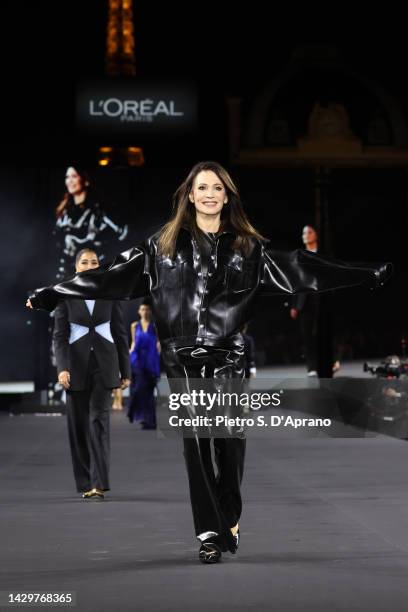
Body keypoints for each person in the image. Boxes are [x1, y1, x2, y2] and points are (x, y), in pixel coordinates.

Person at [26, 161, 391, 563]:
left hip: (229, 354)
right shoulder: (160, 247)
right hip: (180, 358)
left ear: (227, 195)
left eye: (217, 187)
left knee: (229, 443)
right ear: (190, 195)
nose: (210, 194)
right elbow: (109, 275)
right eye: (202, 187)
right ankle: (210, 534)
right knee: (196, 446)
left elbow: (303, 267)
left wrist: (363, 272)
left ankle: (229, 517)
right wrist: (54, 293)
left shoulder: (250, 249)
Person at [42, 248, 130, 500]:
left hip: (105, 364)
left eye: (94, 261)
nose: (90, 265)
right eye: (85, 262)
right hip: (75, 367)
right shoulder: (65, 293)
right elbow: (59, 336)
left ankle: (98, 484)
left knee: (98, 421)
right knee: (78, 426)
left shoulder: (111, 293)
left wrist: (125, 370)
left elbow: (121, 334)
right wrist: (62, 368)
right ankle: (84, 481)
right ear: (77, 266)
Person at [54, 166, 128, 280]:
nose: (69, 180)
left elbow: (121, 234)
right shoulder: (64, 212)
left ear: (85, 180)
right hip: (66, 274)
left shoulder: (98, 211)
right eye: (67, 177)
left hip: (92, 275)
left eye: (74, 176)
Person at [290, 225, 341, 376]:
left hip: (322, 297)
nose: (305, 235)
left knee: (326, 331)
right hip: (305, 300)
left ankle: (334, 361)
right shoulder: (299, 255)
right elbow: (295, 280)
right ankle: (312, 367)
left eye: (309, 232)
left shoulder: (324, 253)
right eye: (304, 232)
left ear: (316, 235)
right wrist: (294, 304)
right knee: (307, 336)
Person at [128, 301, 161, 429]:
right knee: (138, 389)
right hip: (137, 360)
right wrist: (130, 354)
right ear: (139, 311)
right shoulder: (134, 326)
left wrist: (158, 352)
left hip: (151, 361)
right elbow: (133, 342)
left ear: (150, 311)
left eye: (147, 309)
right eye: (142, 309)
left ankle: (150, 421)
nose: (145, 312)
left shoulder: (154, 326)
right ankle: (133, 410)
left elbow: (158, 342)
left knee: (149, 392)